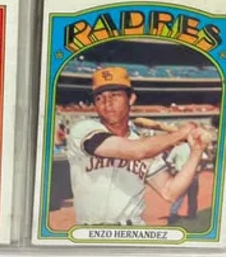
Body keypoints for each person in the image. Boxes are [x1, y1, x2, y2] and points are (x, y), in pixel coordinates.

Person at [64, 68, 210, 226]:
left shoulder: (146, 144)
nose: (107, 103)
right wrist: (181, 133)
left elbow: (170, 192)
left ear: (131, 99)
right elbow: (136, 151)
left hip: (133, 230)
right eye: (99, 98)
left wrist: (196, 151)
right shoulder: (83, 130)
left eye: (115, 95)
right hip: (91, 231)